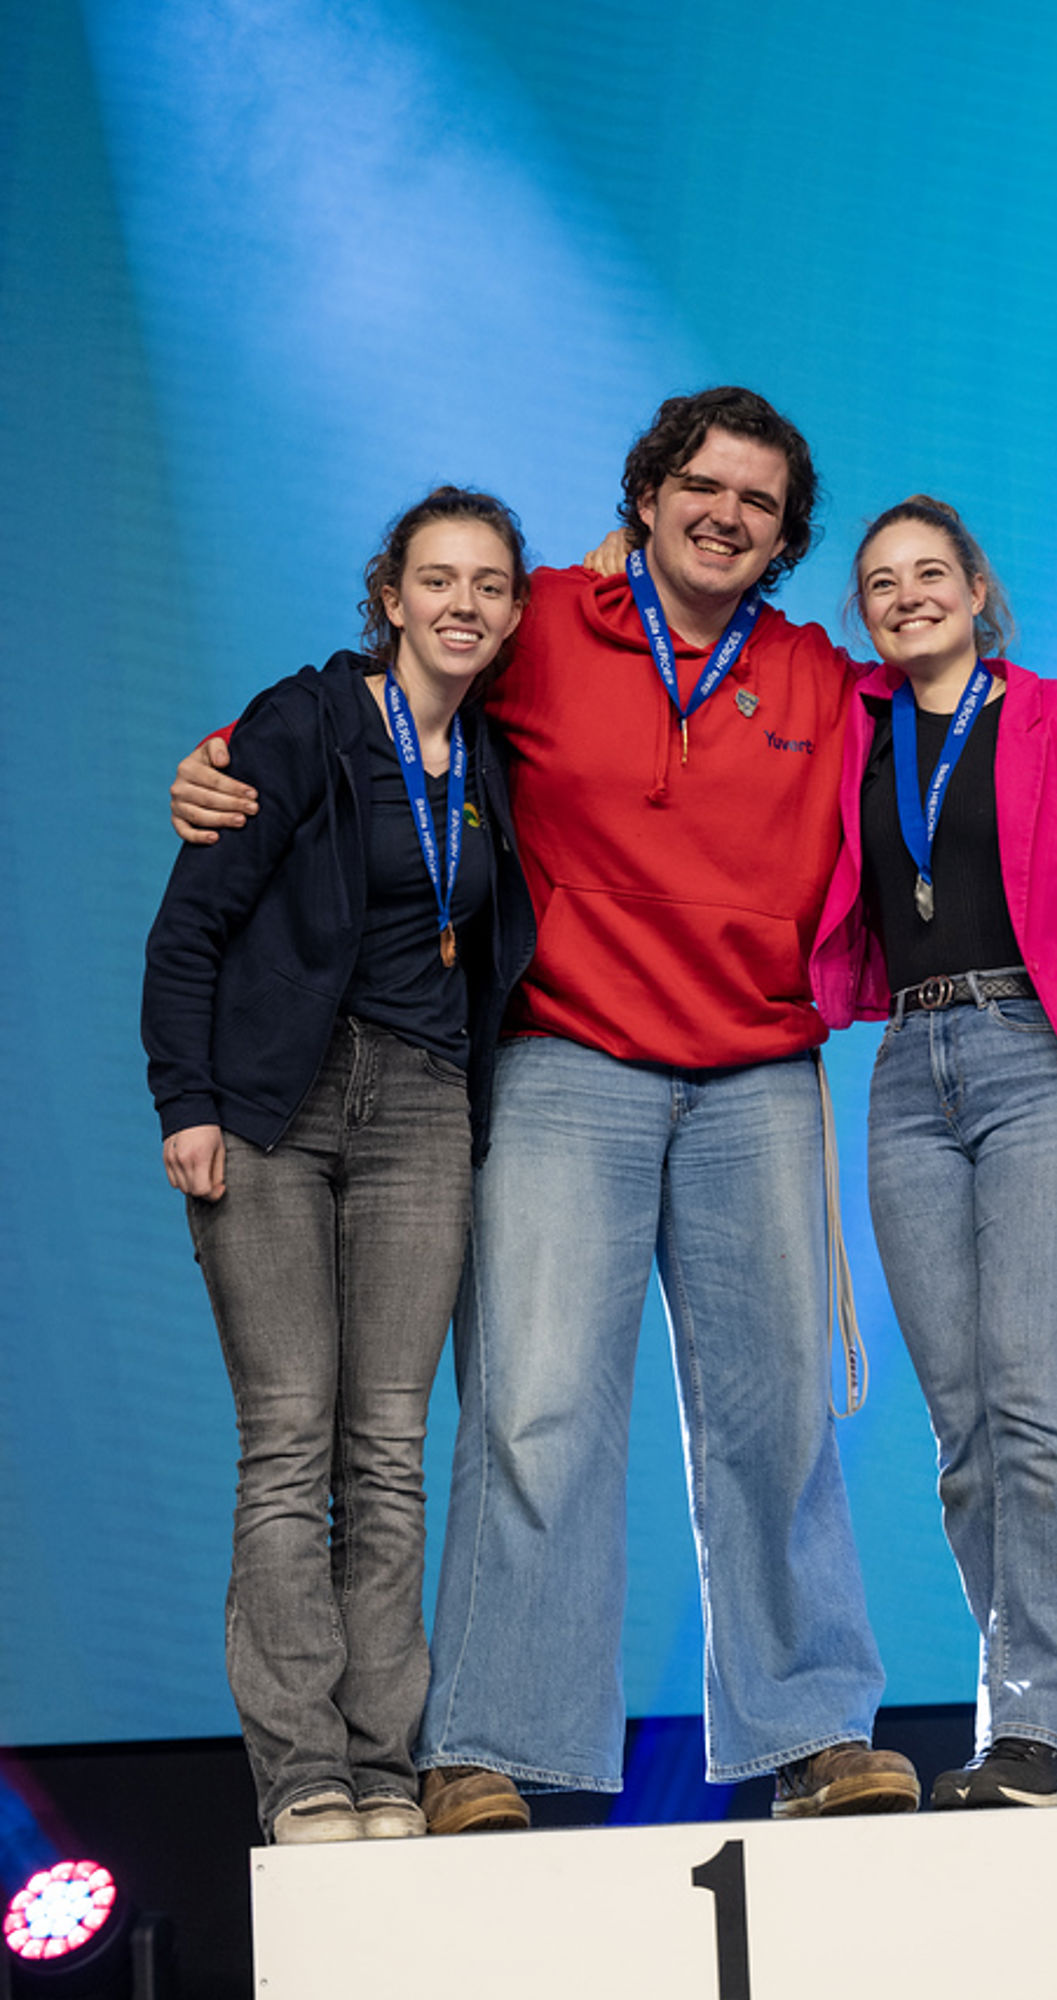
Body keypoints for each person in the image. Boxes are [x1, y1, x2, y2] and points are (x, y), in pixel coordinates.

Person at [167, 391, 1057, 1828]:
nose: (726, 514)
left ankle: (813, 1731)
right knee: (533, 1405)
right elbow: (387, 697)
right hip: (570, 1060)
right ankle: (489, 1742)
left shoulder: (819, 676)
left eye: (760, 502)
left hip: (759, 1075)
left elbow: (964, 719)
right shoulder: (547, 623)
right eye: (703, 485)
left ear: (785, 539)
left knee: (778, 1418)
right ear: (646, 494)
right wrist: (224, 755)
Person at [810, 496, 1057, 1809]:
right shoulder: (848, 724)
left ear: (979, 591)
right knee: (965, 1430)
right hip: (906, 1074)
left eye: (932, 572)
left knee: (1031, 1401)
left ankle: (1043, 1735)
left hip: (1041, 1059)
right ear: (863, 613)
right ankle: (1024, 1730)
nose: (909, 595)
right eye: (882, 581)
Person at [143, 488, 534, 1843]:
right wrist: (186, 1101)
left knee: (388, 1455)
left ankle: (382, 1766)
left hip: (422, 1112)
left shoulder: (490, 761)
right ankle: (303, 1770)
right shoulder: (303, 723)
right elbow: (190, 926)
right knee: (288, 1445)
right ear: (389, 598)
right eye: (438, 579)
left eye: (490, 584)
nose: (463, 604)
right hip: (273, 1109)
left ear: (514, 612)